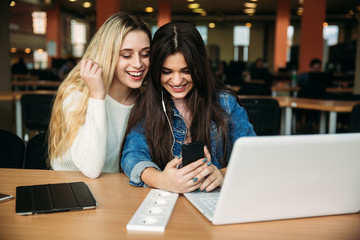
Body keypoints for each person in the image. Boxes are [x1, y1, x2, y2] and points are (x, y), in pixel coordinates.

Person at [120, 21, 256, 193]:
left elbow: (252, 156)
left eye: (186, 71)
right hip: (166, 203)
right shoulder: (148, 105)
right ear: (156, 71)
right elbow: (132, 155)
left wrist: (222, 174)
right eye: (167, 72)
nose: (177, 81)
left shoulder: (226, 103)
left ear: (199, 67)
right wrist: (161, 180)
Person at [48, 12, 151, 178]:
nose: (138, 64)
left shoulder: (146, 99)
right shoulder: (77, 93)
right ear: (107, 54)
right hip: (69, 187)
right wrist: (97, 96)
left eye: (145, 54)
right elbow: (92, 170)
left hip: (116, 191)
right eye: (126, 54)